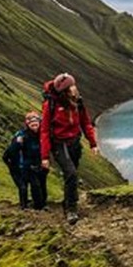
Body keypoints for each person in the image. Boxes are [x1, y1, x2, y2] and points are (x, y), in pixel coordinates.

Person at [40, 73, 99, 225]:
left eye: (74, 85)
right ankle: (71, 210)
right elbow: (45, 130)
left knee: (71, 175)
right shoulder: (50, 105)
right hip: (60, 144)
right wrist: (45, 156)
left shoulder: (78, 102)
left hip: (74, 143)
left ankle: (67, 201)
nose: (75, 88)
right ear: (65, 91)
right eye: (71, 87)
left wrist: (93, 143)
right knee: (71, 174)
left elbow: (86, 123)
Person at [3, 112, 48, 210]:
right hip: (27, 165)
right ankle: (33, 205)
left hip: (41, 163)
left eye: (36, 123)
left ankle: (43, 203)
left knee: (42, 184)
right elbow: (11, 151)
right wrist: (18, 143)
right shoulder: (22, 135)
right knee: (32, 186)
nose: (35, 126)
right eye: (31, 123)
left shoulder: (43, 134)